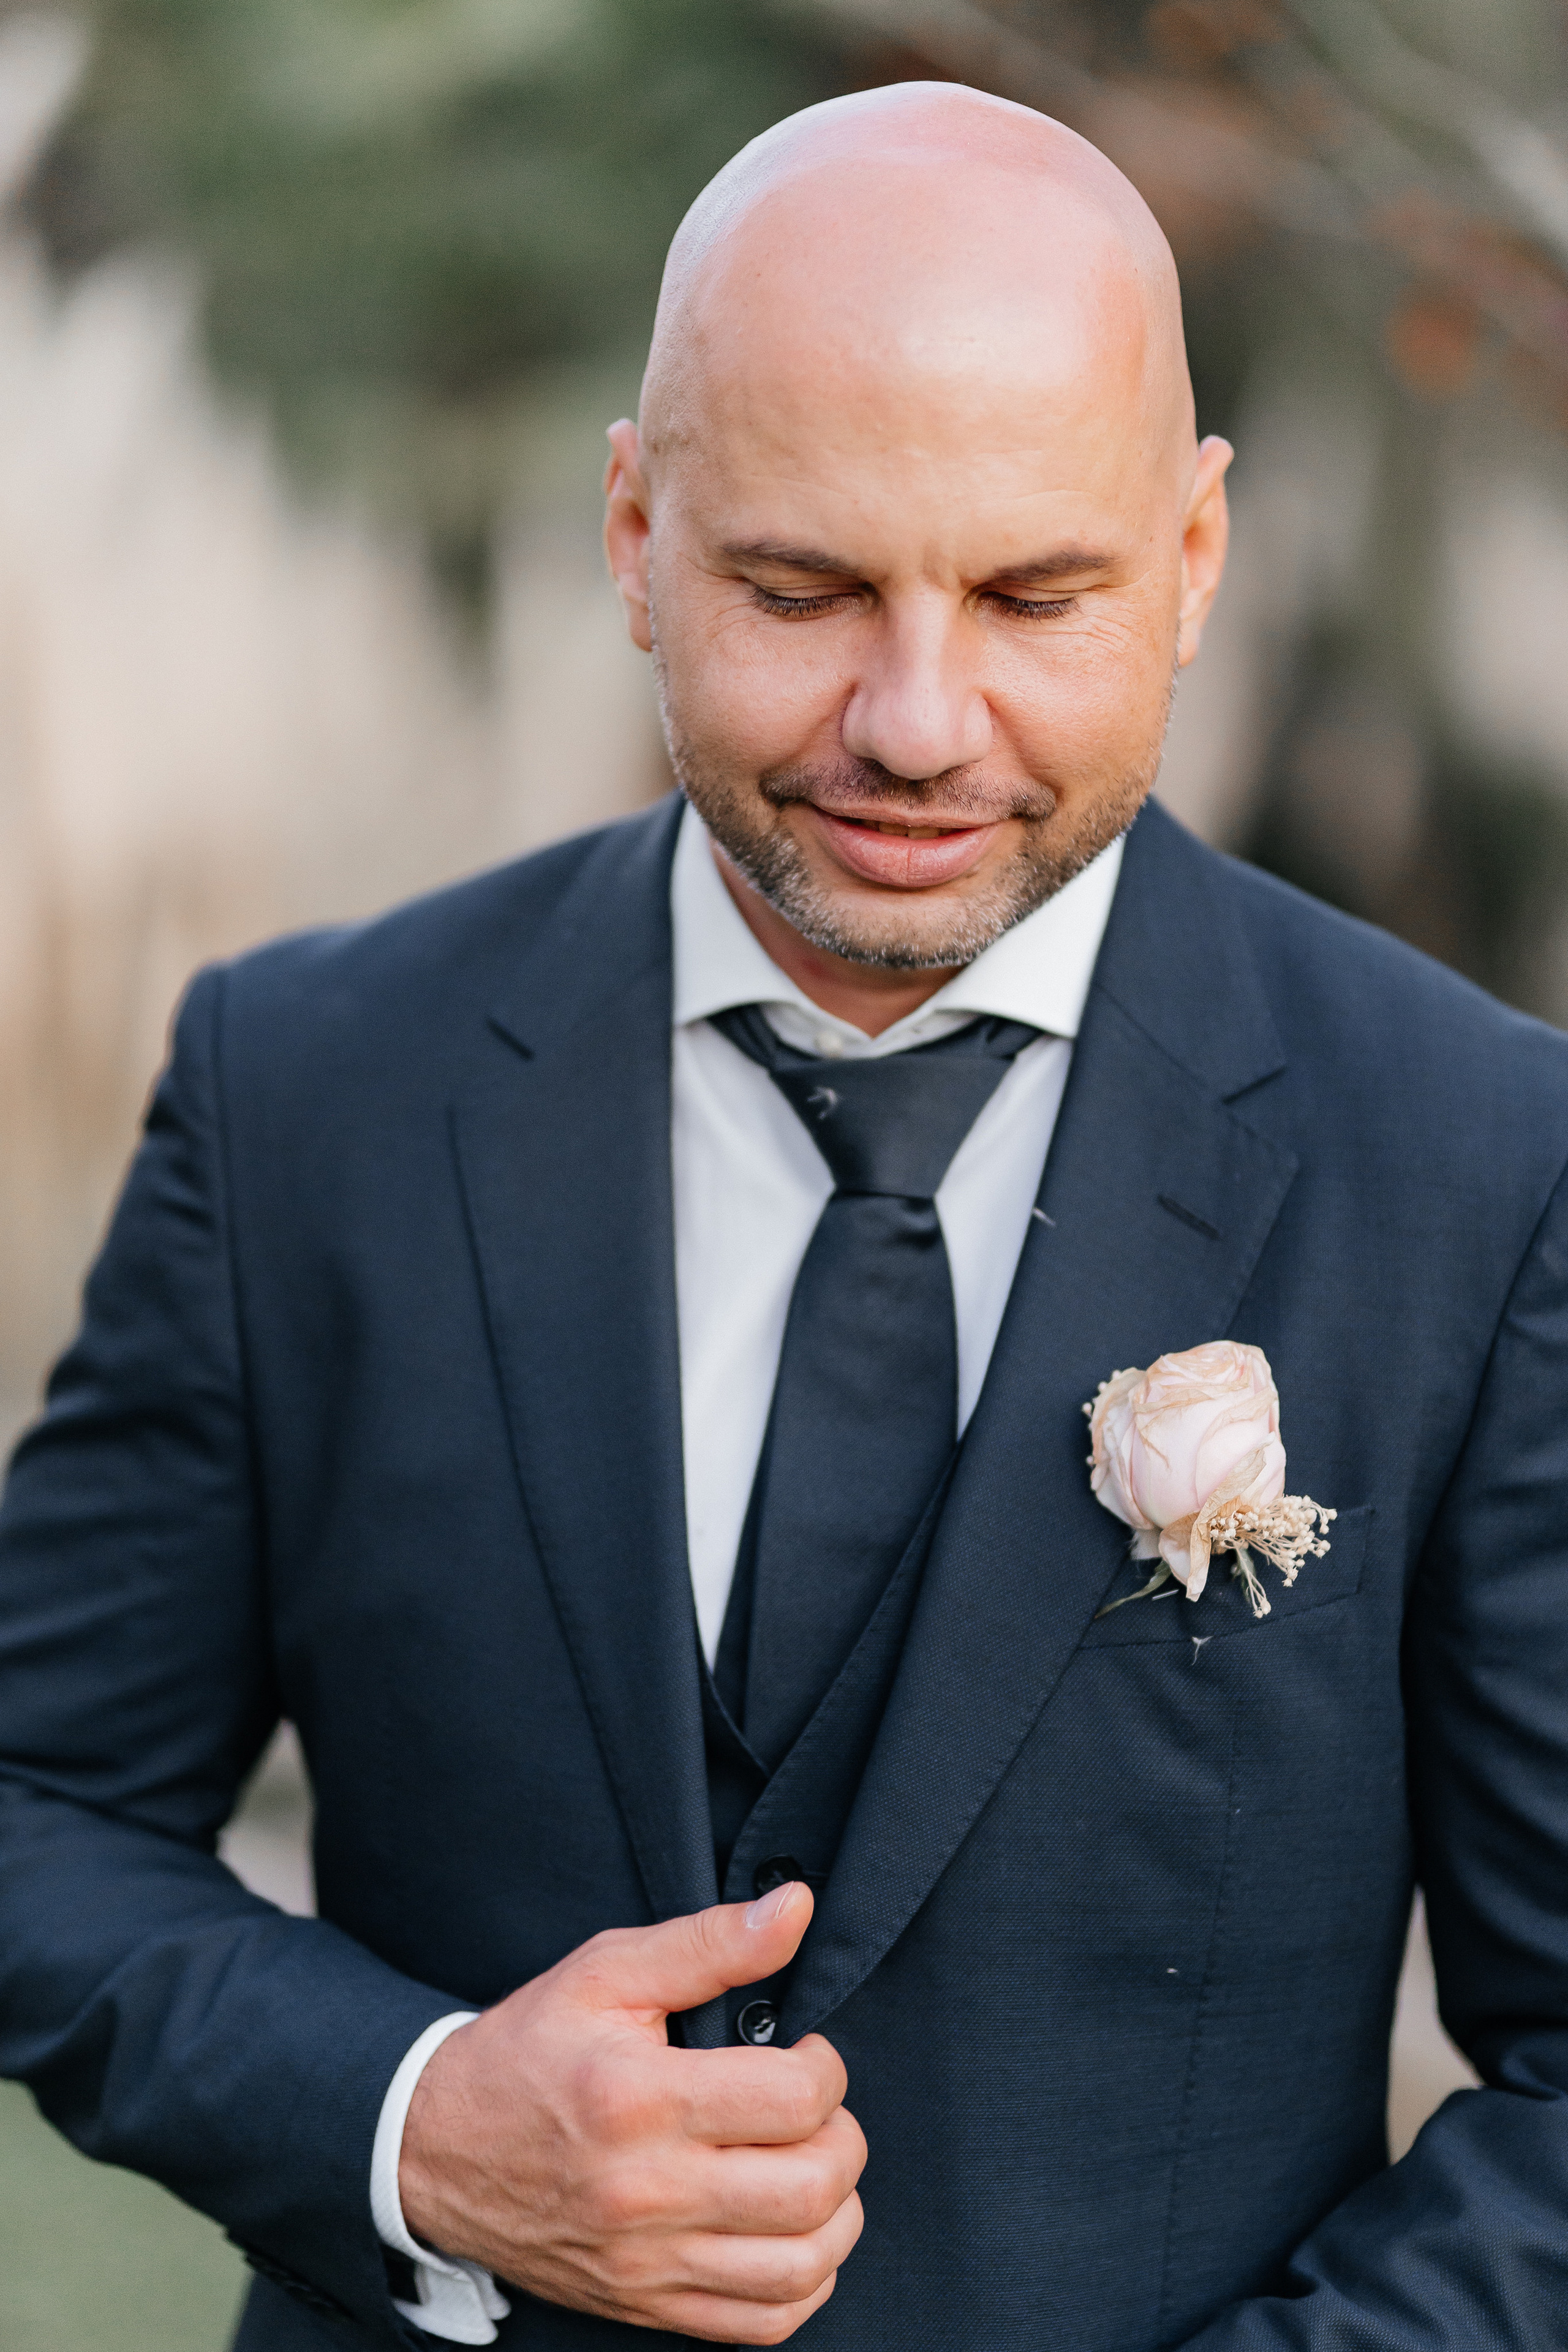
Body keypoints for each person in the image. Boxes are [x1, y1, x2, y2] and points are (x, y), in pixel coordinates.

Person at [2, 75, 1567, 2352]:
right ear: (635, 533)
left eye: (1039, 591)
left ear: (1198, 559)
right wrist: (411, 2122)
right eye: (801, 586)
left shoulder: (1484, 1162)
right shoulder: (305, 1094)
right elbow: (39, 1797)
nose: (920, 723)